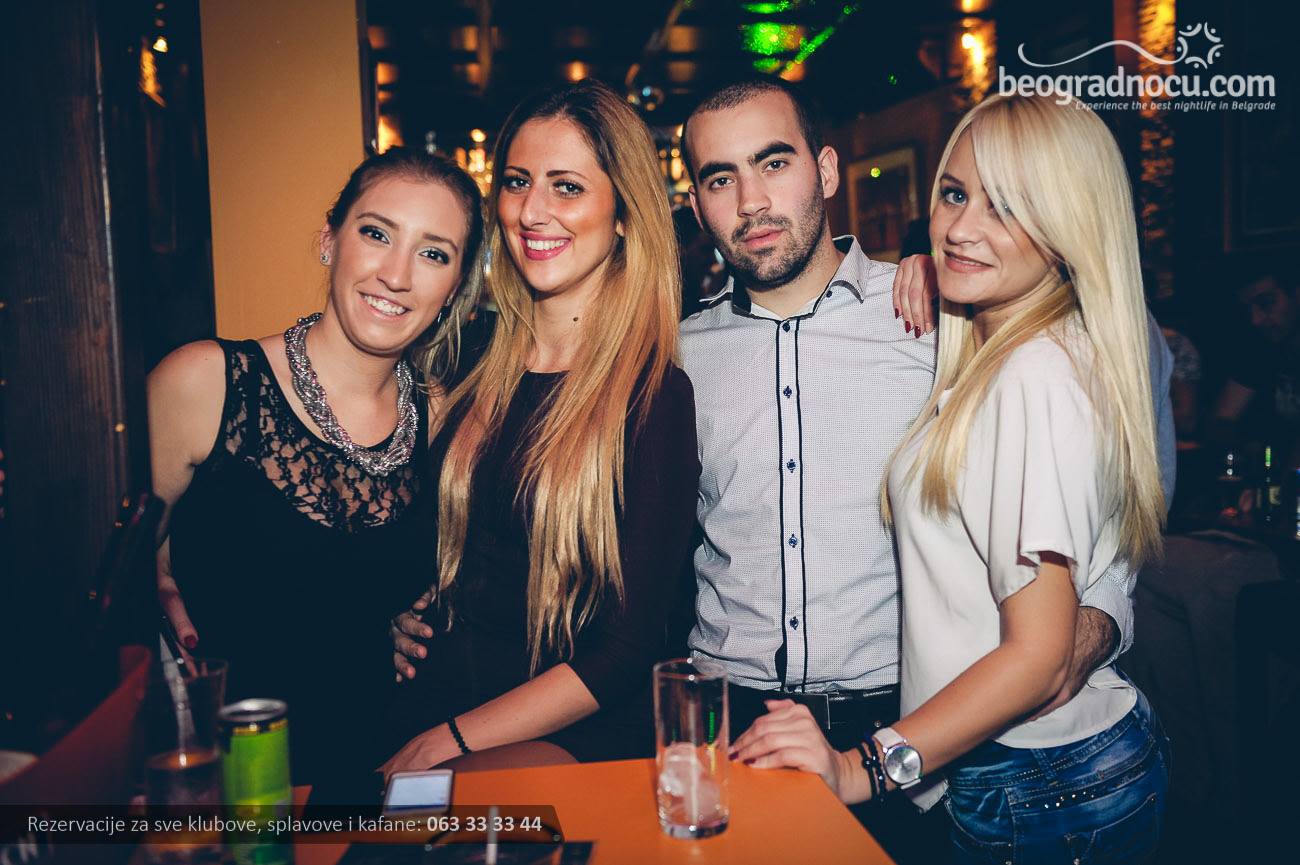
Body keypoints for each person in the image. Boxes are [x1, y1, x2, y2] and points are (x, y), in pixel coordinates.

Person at [733, 93, 1171, 863]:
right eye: (955, 193)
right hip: (1045, 768)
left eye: (1009, 206)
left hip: (1038, 782)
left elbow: (1038, 658)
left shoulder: (1035, 372)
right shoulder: (1023, 348)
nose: (962, 228)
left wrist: (862, 768)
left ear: (1069, 225)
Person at [380, 80, 699, 775]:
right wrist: (393, 615)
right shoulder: (466, 363)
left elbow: (626, 649)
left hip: (564, 735)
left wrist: (450, 741)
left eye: (567, 187)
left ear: (624, 214)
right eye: (518, 182)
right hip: (434, 704)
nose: (531, 211)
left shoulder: (652, 395)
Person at [149, 147, 484, 786]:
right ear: (330, 241)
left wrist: (411, 616)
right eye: (377, 234)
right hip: (228, 782)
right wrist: (154, 577)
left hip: (375, 776)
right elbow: (92, 569)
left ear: (454, 290)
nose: (396, 274)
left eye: (433, 254)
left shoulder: (442, 417)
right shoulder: (205, 383)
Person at [1213, 269, 1299, 468]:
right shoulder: (1262, 348)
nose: (1256, 320)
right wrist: (1249, 445)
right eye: (1249, 310)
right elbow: (1220, 420)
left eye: (1266, 303)